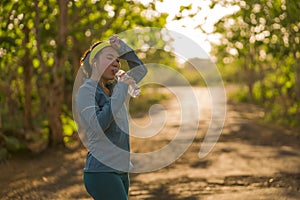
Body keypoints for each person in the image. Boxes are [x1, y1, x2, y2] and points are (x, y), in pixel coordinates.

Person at [75, 35, 147, 200]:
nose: (116, 63)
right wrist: (121, 88)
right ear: (94, 62)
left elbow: (141, 70)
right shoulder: (87, 91)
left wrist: (123, 48)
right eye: (109, 58)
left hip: (121, 170)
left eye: (118, 60)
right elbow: (99, 125)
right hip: (102, 172)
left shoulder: (115, 86)